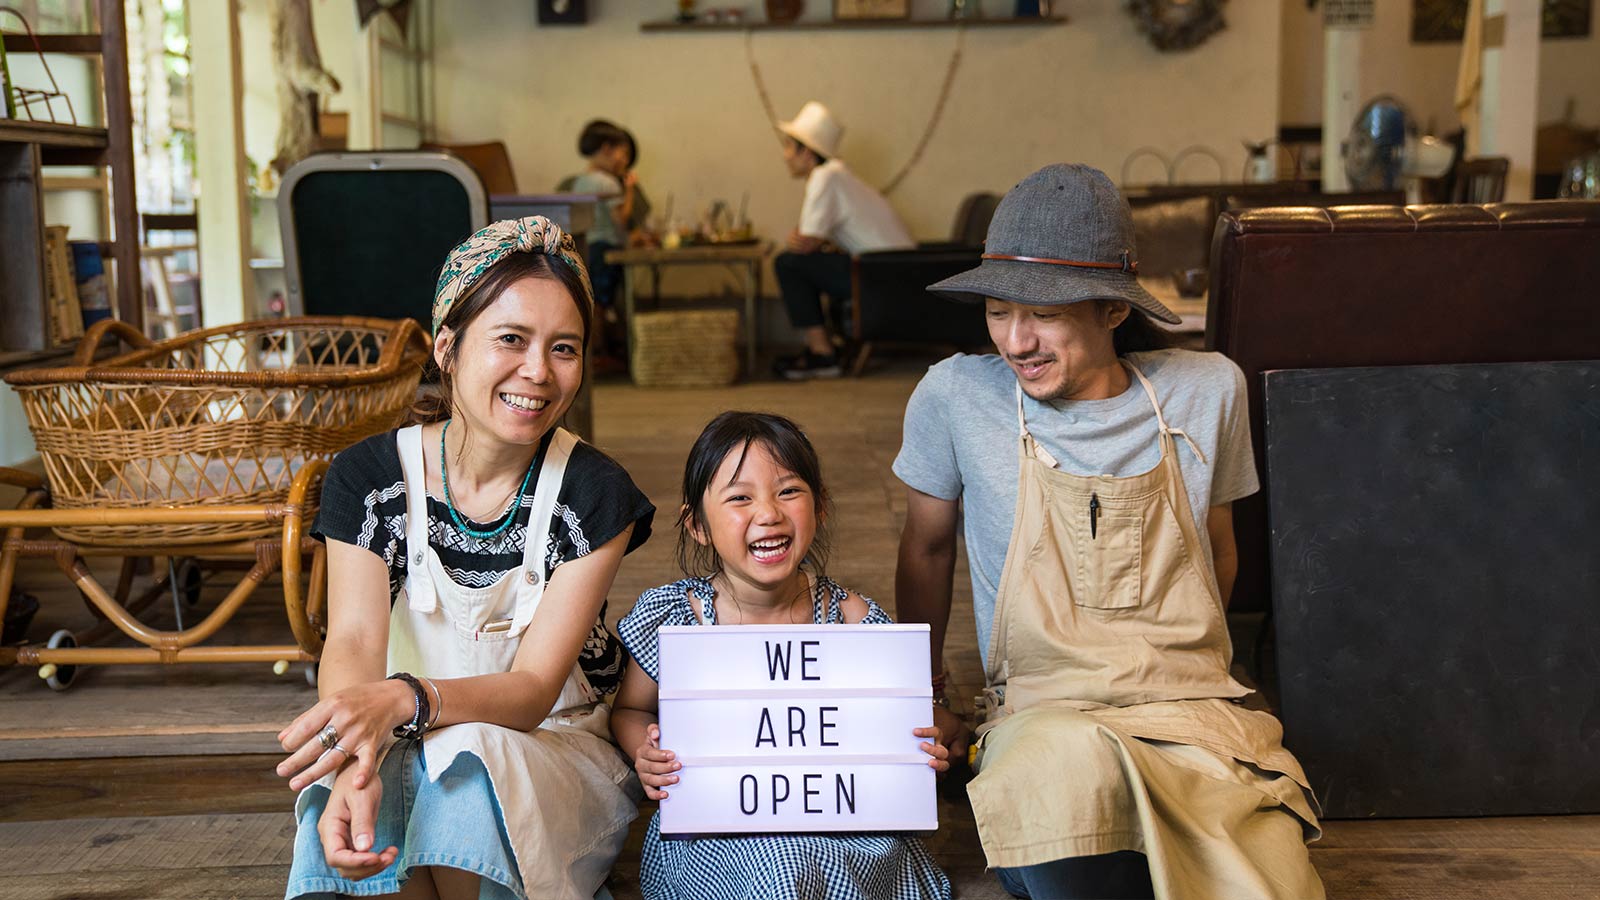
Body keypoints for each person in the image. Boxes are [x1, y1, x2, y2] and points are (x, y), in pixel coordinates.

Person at [892, 165, 1324, 900]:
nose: (1016, 341)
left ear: (1115, 310)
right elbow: (925, 548)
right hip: (1045, 710)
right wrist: (921, 694)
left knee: (1266, 876)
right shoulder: (957, 396)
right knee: (1073, 829)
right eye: (997, 311)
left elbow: (1215, 550)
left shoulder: (1209, 390)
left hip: (1192, 709)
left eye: (1044, 315)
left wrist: (1183, 667)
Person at [277, 216, 655, 900]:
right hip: (398, 732)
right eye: (510, 339)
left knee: (465, 763)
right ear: (447, 346)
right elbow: (355, 642)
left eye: (564, 348)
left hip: (549, 745)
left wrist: (405, 698)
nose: (538, 373)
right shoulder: (369, 479)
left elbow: (536, 689)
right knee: (371, 800)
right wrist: (348, 765)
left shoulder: (594, 493)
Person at [612, 411, 953, 900]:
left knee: (801, 860)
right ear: (698, 526)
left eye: (789, 491)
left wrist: (920, 748)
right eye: (739, 498)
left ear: (821, 508)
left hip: (845, 829)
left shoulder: (851, 618)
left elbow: (899, 718)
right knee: (780, 861)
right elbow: (631, 709)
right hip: (717, 831)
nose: (769, 513)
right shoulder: (676, 618)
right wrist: (644, 753)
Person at [772, 101, 914, 381]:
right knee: (796, 262)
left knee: (788, 264)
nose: (785, 156)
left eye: (789, 147)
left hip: (885, 273)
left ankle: (823, 353)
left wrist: (799, 240)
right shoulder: (836, 174)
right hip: (897, 268)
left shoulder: (825, 177)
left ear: (807, 153)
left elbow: (805, 243)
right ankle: (824, 349)